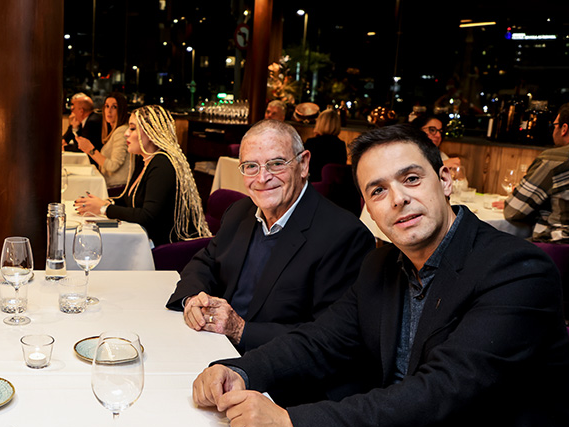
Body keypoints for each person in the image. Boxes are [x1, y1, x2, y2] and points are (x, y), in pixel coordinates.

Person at [192, 123, 569, 427]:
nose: (397, 199)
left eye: (411, 178)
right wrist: (239, 369)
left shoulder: (517, 269)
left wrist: (293, 424)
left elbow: (440, 391)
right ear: (369, 207)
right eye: (378, 190)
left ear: (444, 180)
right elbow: (322, 339)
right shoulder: (384, 264)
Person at [167, 120, 373, 362]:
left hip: (278, 369)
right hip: (212, 346)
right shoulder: (239, 212)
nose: (262, 178)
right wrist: (193, 299)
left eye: (276, 164)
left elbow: (331, 338)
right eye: (251, 166)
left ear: (303, 164)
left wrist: (240, 330)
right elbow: (204, 263)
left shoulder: (344, 235)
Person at [74, 105, 210, 246]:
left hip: (168, 248)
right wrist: (101, 203)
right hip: (148, 239)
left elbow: (147, 216)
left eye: (132, 129)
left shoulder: (162, 164)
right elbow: (127, 199)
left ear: (151, 133)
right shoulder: (144, 160)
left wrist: (104, 209)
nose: (126, 133)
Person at [504, 100, 569, 242]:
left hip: (557, 247)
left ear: (564, 129)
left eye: (555, 125)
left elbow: (513, 211)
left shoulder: (554, 159)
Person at [77, 92, 133, 192]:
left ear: (121, 110)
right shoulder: (115, 131)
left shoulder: (121, 132)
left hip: (117, 188)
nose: (109, 111)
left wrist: (91, 150)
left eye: (114, 107)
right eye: (107, 106)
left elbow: (113, 166)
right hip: (111, 185)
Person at [303, 107, 347, 181]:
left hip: (313, 185)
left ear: (319, 123)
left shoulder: (311, 143)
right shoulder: (341, 145)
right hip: (334, 186)